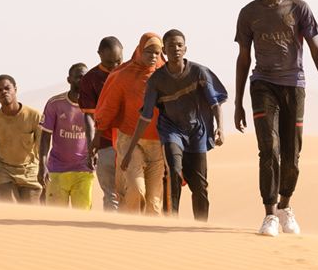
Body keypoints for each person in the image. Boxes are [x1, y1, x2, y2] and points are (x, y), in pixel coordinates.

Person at [234, 0, 318, 237]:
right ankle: (269, 215)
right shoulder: (248, 13)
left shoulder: (298, 8)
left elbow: (316, 49)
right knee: (269, 149)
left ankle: (285, 206)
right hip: (262, 84)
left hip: (294, 85)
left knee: (292, 153)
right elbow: (243, 58)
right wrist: (237, 102)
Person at [120, 29, 227, 221]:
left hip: (197, 133)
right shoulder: (157, 79)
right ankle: (173, 219)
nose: (175, 49)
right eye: (170, 46)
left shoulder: (199, 72)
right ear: (164, 52)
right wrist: (128, 151)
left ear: (185, 49)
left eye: (179, 45)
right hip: (172, 131)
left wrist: (220, 128)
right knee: (175, 172)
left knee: (200, 185)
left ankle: (201, 225)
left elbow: (214, 103)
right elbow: (145, 117)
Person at [98, 32, 166, 214]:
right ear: (139, 51)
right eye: (148, 51)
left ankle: (148, 238)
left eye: (157, 52)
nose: (153, 56)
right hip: (129, 140)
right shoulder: (123, 75)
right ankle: (127, 229)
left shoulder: (167, 75)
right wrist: (98, 134)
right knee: (136, 191)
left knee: (154, 201)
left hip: (157, 142)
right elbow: (109, 107)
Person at [0, 74, 44, 202]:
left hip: (30, 172)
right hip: (4, 173)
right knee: (11, 208)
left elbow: (43, 150)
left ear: (15, 90)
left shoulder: (34, 116)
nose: (3, 92)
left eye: (7, 88)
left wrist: (45, 175)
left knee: (30, 214)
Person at [39, 62, 95, 209]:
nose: (82, 81)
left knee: (82, 219)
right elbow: (45, 138)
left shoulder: (94, 104)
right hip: (57, 170)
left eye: (85, 77)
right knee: (55, 219)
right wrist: (42, 165)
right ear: (69, 80)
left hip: (84, 170)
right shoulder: (55, 104)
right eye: (78, 77)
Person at [77, 36, 124, 210]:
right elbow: (88, 116)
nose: (115, 67)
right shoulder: (90, 79)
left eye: (118, 61)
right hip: (104, 143)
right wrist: (91, 146)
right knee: (111, 194)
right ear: (99, 54)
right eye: (110, 62)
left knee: (131, 191)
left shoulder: (128, 73)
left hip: (129, 143)